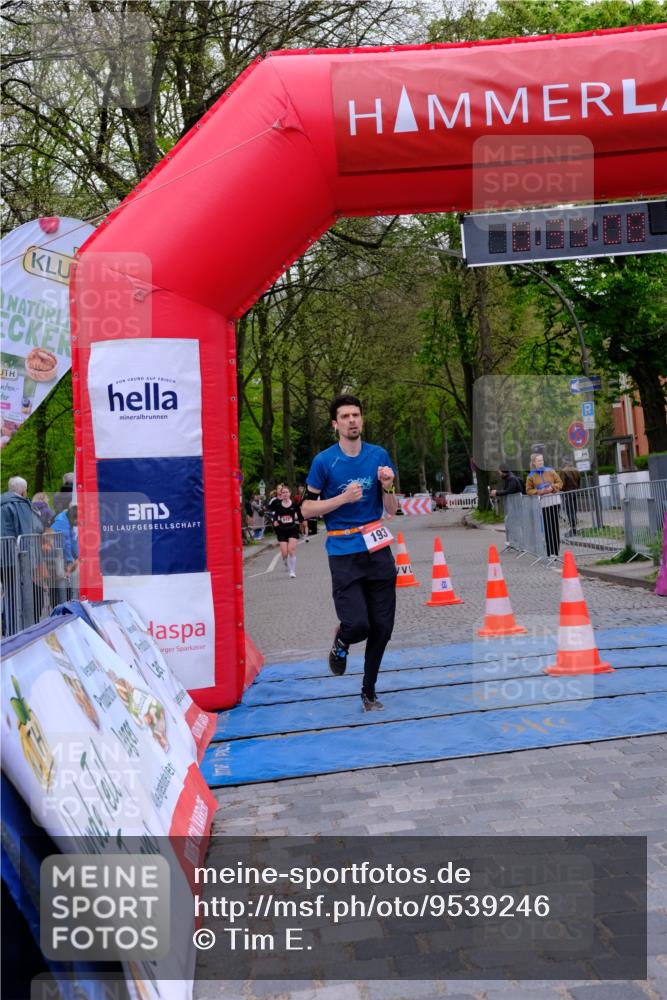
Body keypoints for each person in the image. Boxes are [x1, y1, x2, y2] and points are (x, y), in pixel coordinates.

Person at [301, 394, 399, 712]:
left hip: (377, 547)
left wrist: (388, 486)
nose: (352, 420)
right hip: (343, 551)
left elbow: (392, 510)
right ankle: (342, 639)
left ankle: (368, 691)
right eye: (345, 416)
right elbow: (305, 509)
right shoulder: (324, 462)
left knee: (382, 628)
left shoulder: (378, 455)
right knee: (359, 625)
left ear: (362, 419)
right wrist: (341, 500)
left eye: (356, 414)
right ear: (335, 424)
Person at [1, 476, 44, 635]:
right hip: (13, 556)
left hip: (3, 555)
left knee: (7, 591)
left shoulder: (1, 501)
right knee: (14, 593)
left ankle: (10, 628)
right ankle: (14, 633)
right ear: (24, 491)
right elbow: (29, 531)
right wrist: (32, 562)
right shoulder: (20, 504)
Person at [526, 454, 563, 560]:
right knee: (548, 527)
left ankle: (556, 552)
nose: (541, 462)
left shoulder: (550, 471)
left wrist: (552, 488)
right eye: (538, 461)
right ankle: (550, 552)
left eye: (542, 460)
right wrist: (539, 491)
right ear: (534, 463)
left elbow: (560, 483)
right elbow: (528, 490)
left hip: (554, 501)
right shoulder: (531, 476)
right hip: (543, 503)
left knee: (555, 526)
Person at [270, 484, 303, 577]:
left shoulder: (294, 504)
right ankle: (285, 560)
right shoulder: (278, 504)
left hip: (292, 529)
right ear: (281, 494)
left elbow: (300, 515)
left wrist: (302, 522)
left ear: (290, 493)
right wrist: (275, 521)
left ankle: (292, 571)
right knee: (284, 553)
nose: (285, 494)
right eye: (283, 492)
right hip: (282, 530)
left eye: (286, 492)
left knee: (291, 550)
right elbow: (275, 515)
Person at [560, 463, 581, 535]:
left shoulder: (563, 471)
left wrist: (562, 489)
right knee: (574, 510)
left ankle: (573, 529)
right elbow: (579, 481)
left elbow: (562, 483)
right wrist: (577, 488)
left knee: (569, 511)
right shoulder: (576, 470)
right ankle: (574, 528)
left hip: (568, 492)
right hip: (575, 491)